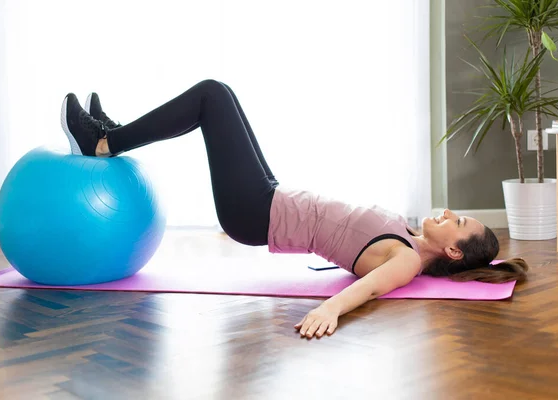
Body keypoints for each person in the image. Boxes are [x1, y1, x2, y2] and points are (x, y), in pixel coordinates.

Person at [61, 79, 529, 339]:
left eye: (458, 222)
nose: (449, 212)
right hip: (270, 195)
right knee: (221, 93)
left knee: (212, 96)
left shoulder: (405, 260)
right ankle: (113, 134)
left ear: (451, 252)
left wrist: (330, 312)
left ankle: (103, 142)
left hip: (255, 211)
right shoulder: (407, 237)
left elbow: (365, 291)